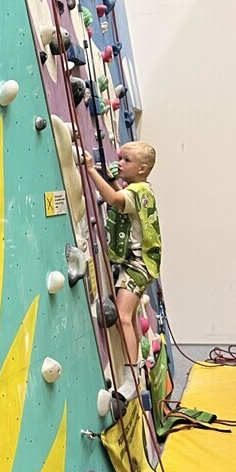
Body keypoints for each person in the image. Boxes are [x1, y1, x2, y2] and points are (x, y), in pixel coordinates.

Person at [84, 143, 161, 369]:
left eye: (127, 160)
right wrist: (111, 180)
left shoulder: (137, 191)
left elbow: (114, 200)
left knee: (123, 315)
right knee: (129, 317)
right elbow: (122, 199)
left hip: (138, 265)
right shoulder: (143, 190)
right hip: (142, 264)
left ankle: (130, 370)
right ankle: (135, 364)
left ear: (141, 169)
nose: (120, 163)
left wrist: (91, 170)